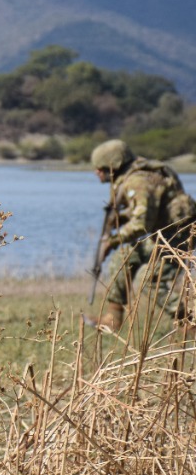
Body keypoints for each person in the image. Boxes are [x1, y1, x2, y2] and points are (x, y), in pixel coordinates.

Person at [87, 139, 195, 334]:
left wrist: (110, 242)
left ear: (113, 166)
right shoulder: (130, 178)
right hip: (161, 235)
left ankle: (189, 322)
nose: (97, 172)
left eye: (100, 168)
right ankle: (113, 318)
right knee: (124, 257)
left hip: (178, 236)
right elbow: (141, 213)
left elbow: (141, 224)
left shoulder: (138, 181)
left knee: (152, 282)